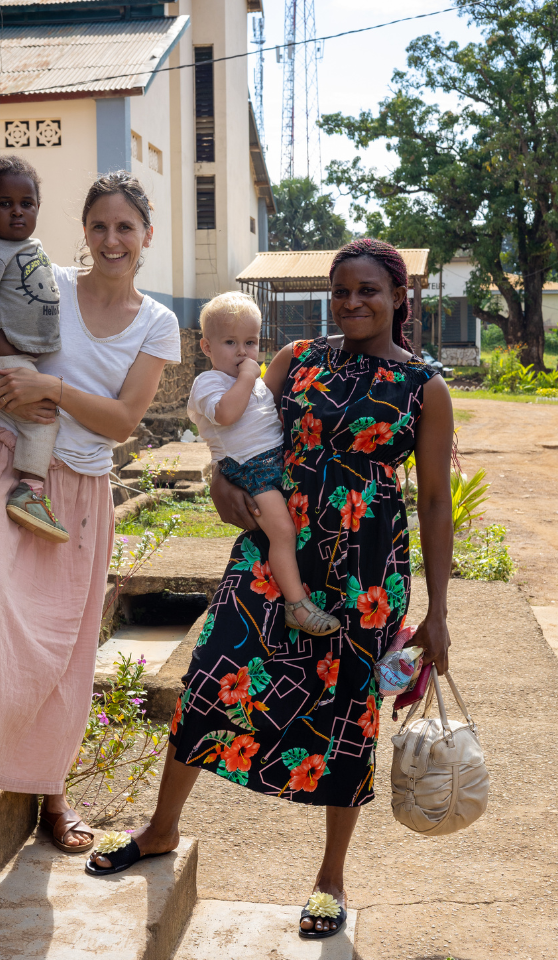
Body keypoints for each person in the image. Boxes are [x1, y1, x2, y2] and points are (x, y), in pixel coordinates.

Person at [85, 239, 454, 942]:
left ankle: (330, 878)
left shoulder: (423, 387)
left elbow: (434, 503)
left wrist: (439, 612)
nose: (352, 302)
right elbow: (240, 436)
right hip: (271, 548)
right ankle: (162, 829)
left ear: (398, 297)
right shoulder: (298, 360)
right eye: (342, 290)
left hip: (364, 574)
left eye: (368, 291)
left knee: (348, 714)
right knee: (212, 676)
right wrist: (223, 485)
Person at [0, 171, 181, 853]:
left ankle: (50, 794)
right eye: (99, 226)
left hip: (83, 490)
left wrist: (51, 387)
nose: (111, 239)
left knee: (60, 648)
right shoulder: (42, 278)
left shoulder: (158, 322)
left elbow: (125, 421)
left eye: (125, 227)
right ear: (84, 232)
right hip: (6, 460)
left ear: (146, 236)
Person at [188, 291, 340, 636]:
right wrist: (246, 378)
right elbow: (226, 414)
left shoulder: (254, 382)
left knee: (297, 526)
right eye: (230, 342)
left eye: (250, 341)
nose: (242, 352)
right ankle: (297, 605)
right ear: (207, 347)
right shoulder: (208, 383)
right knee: (283, 533)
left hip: (275, 461)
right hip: (249, 469)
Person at [0, 155, 68, 543]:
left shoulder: (33, 246)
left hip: (20, 358)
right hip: (4, 360)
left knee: (26, 419)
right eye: (5, 204)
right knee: (43, 418)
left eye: (27, 203)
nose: (17, 212)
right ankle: (30, 492)